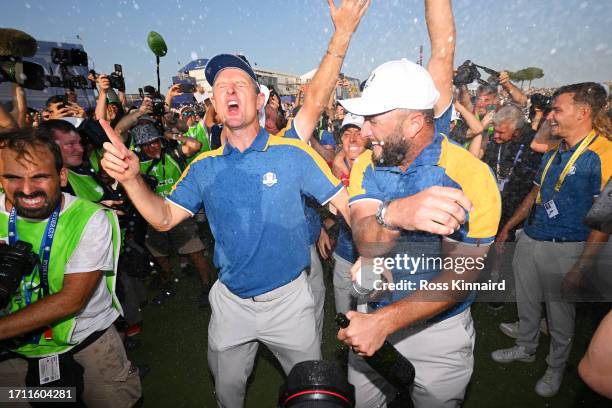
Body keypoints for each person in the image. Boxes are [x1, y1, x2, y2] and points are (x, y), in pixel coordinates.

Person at [100, 3, 367, 406]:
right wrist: (132, 179)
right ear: (215, 104)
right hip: (230, 305)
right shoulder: (203, 167)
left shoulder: (292, 153)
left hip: (290, 302)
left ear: (259, 99)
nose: (228, 90)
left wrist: (367, 250)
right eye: (220, 86)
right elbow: (164, 217)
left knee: (310, 394)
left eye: (238, 83)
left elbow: (345, 204)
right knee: (228, 393)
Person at [336, 1, 502, 406]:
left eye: (374, 120)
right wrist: (394, 215)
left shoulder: (473, 178)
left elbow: (460, 278)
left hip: (438, 332)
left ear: (413, 123)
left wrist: (387, 321)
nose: (363, 131)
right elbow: (364, 236)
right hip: (373, 309)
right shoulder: (368, 165)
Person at [0, 128, 141, 407]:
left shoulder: (91, 218)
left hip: (88, 344)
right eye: (13, 178)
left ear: (62, 176)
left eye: (39, 177)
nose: (27, 190)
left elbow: (71, 300)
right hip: (15, 355)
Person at [492, 82, 612, 398]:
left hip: (568, 248)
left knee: (560, 315)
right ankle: (526, 345)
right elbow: (536, 192)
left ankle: (556, 366)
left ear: (583, 112)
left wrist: (582, 267)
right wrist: (510, 227)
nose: (551, 116)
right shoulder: (557, 149)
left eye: (558, 109)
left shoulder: (604, 154)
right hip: (532, 237)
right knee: (527, 301)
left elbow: (605, 220)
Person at [131, 122, 213, 307]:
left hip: (179, 212)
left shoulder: (173, 154)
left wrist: (173, 136)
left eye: (155, 142)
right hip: (153, 217)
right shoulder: (136, 165)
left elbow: (195, 145)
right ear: (140, 147)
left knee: (195, 252)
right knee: (159, 255)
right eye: (147, 144)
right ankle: (168, 282)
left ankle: (206, 287)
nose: (152, 147)